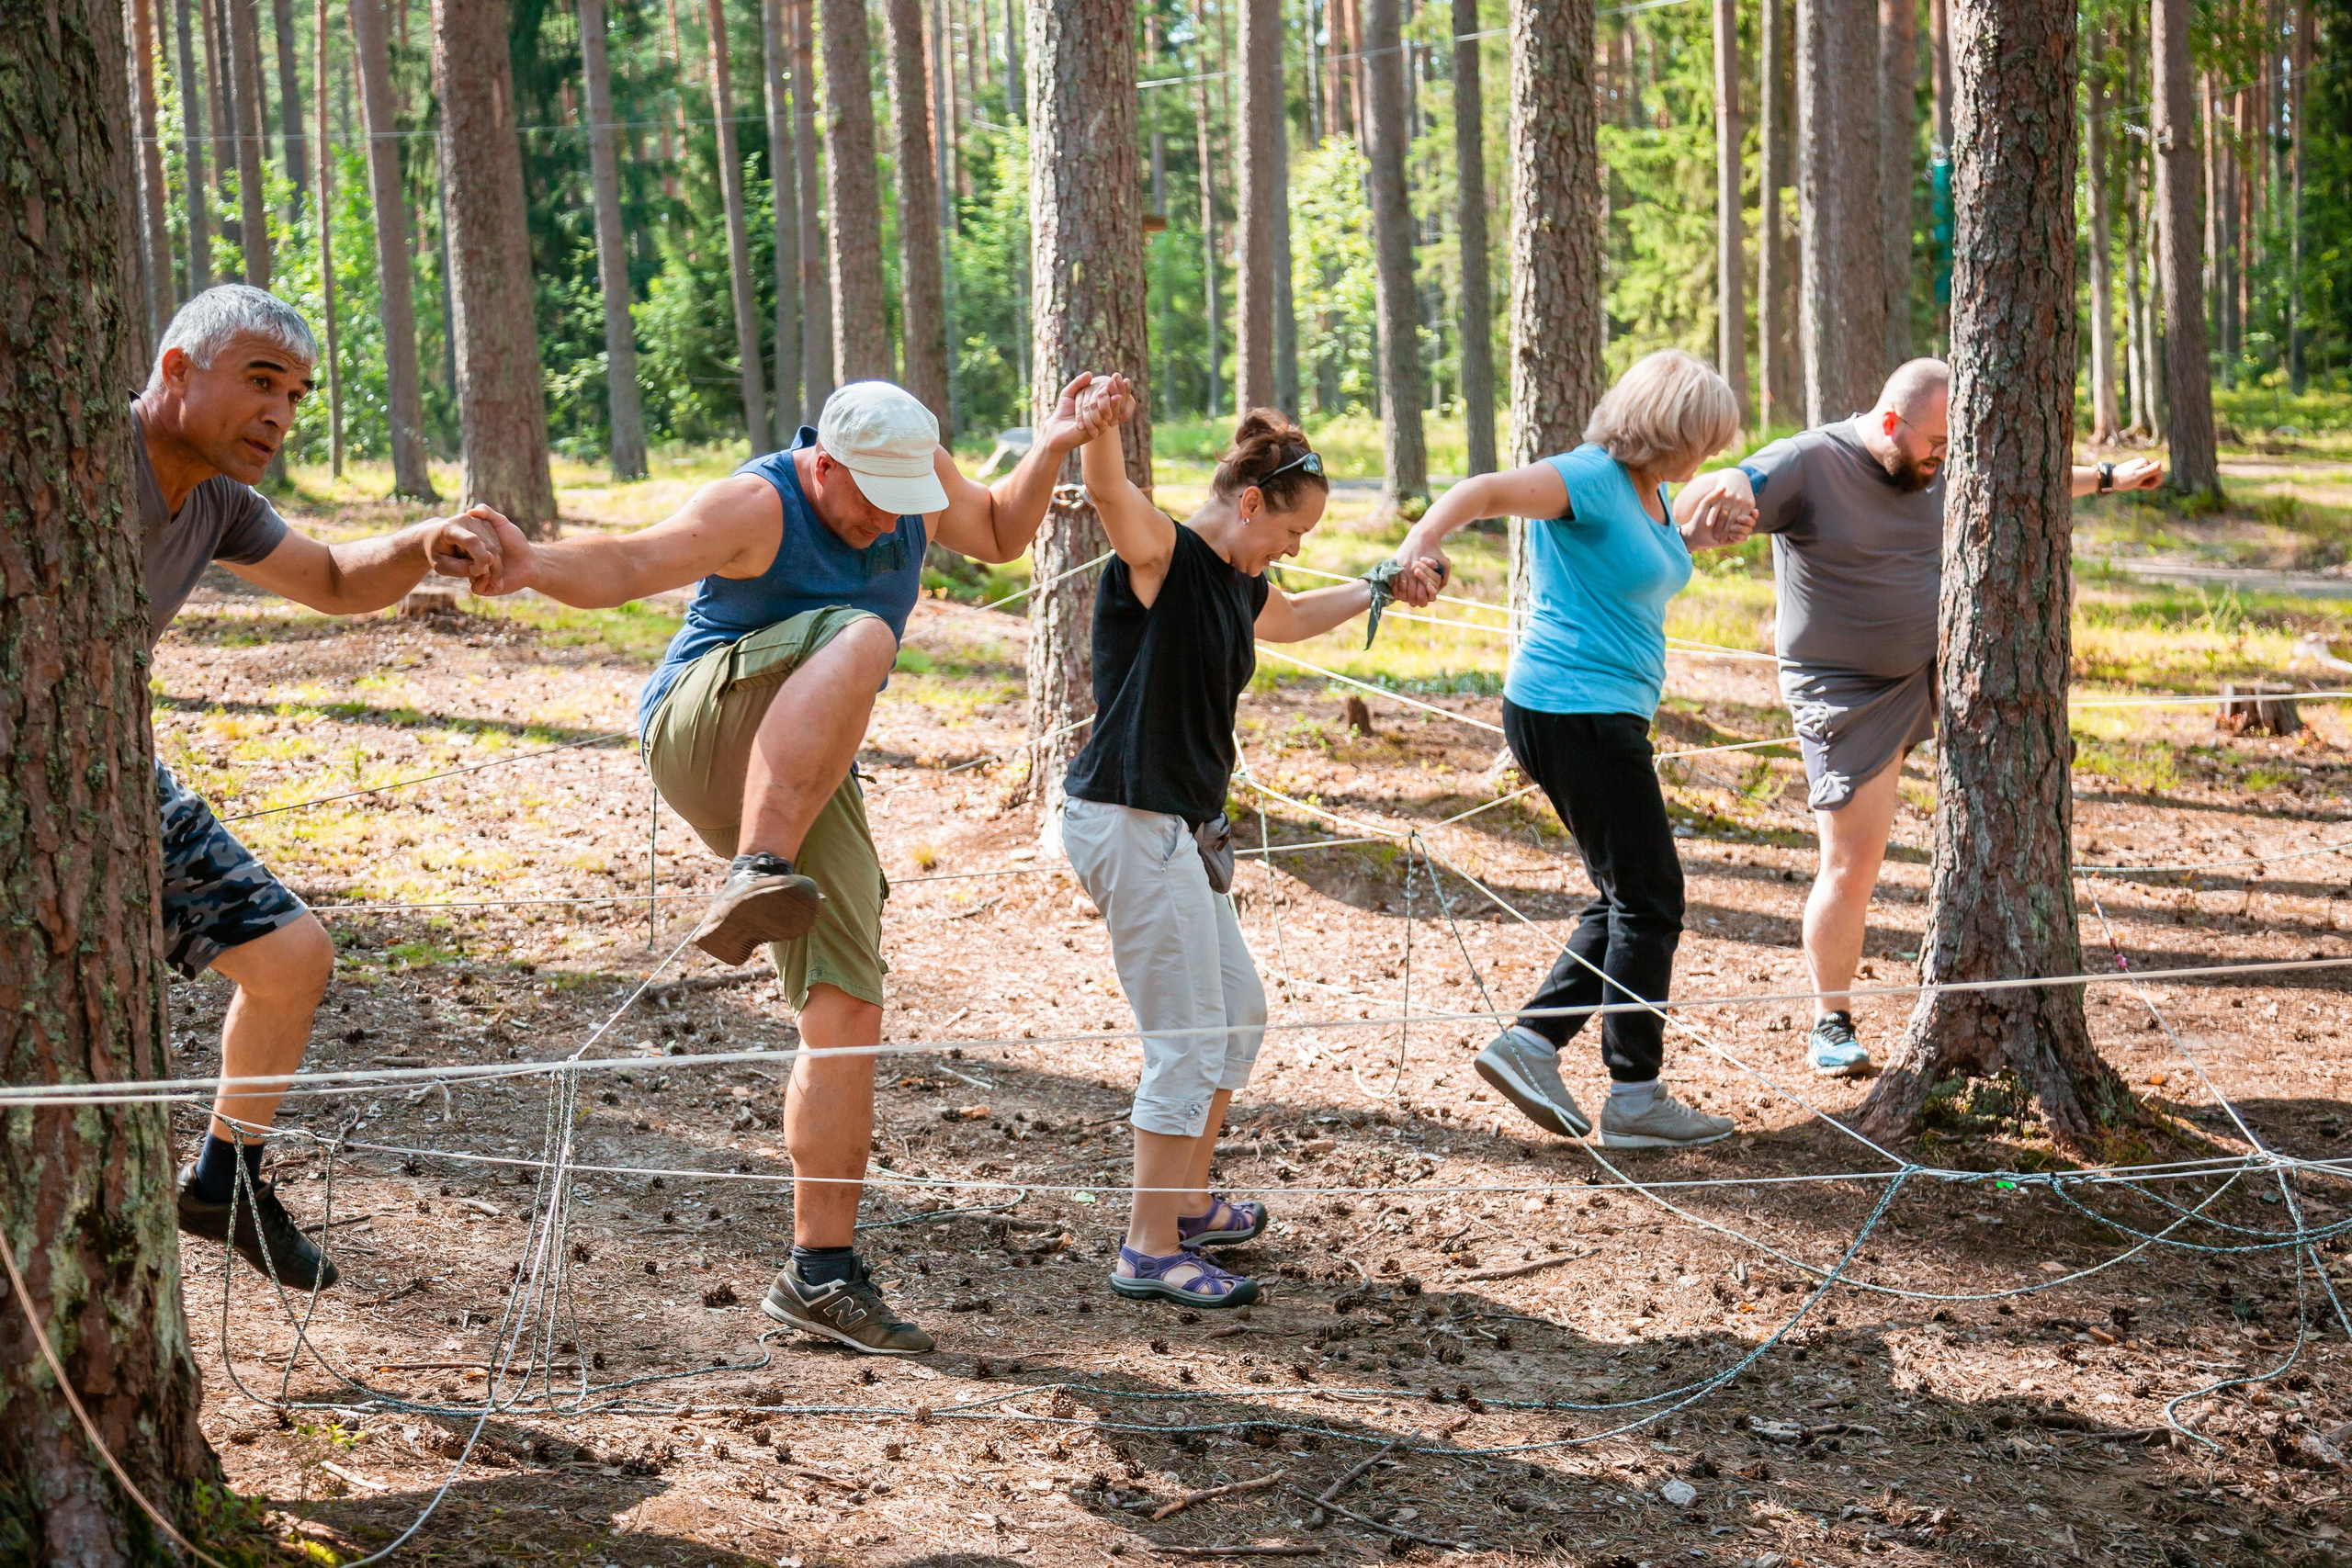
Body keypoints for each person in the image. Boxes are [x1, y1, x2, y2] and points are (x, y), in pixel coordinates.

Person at [470, 376, 1126, 1354]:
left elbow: (995, 531)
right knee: (863, 628)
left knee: (848, 1002)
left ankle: (819, 1272)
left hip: (805, 761)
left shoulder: (904, 479)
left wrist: (1059, 442)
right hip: (704, 727)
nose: (885, 523)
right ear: (822, 464)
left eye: (904, 502)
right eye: (866, 500)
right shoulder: (760, 501)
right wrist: (529, 563)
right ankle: (755, 866)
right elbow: (629, 561)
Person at [143, 285, 503, 1291]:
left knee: (292, 956)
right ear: (178, 369)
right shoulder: (73, 459)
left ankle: (225, 1178)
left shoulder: (218, 498)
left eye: (297, 394)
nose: (281, 414)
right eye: (260, 383)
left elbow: (339, 579)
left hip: (110, 778)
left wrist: (424, 545)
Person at [1669, 359, 2164, 1076]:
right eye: (1935, 444)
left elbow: (2023, 475)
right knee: (1853, 860)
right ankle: (1830, 1021)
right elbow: (1723, 488)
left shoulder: (1938, 458)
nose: (1943, 460)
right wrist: (1718, 502)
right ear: (1891, 423)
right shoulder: (1812, 461)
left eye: (1951, 447)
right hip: (1847, 690)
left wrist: (2111, 476)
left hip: (1945, 668)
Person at [1060, 398, 1440, 1307]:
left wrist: (1383, 584)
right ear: (1250, 503)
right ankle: (1148, 1248)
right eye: (1294, 528)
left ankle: (1184, 1199)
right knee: (1185, 1041)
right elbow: (1107, 491)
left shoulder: (1236, 581)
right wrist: (1100, 423)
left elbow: (1300, 616)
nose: (1296, 548)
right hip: (1127, 819)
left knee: (1235, 1014)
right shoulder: (1165, 559)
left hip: (1180, 833)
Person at [1389, 349, 1754, 1149]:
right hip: (1572, 711)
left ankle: (1531, 1044)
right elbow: (1482, 490)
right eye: (1705, 436)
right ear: (1670, 425)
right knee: (1652, 896)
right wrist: (1417, 548)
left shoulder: (1649, 494)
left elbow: (1630, 571)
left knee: (1627, 894)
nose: (1708, 456)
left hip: (1601, 714)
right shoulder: (1586, 476)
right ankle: (1634, 1096)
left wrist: (1694, 534)